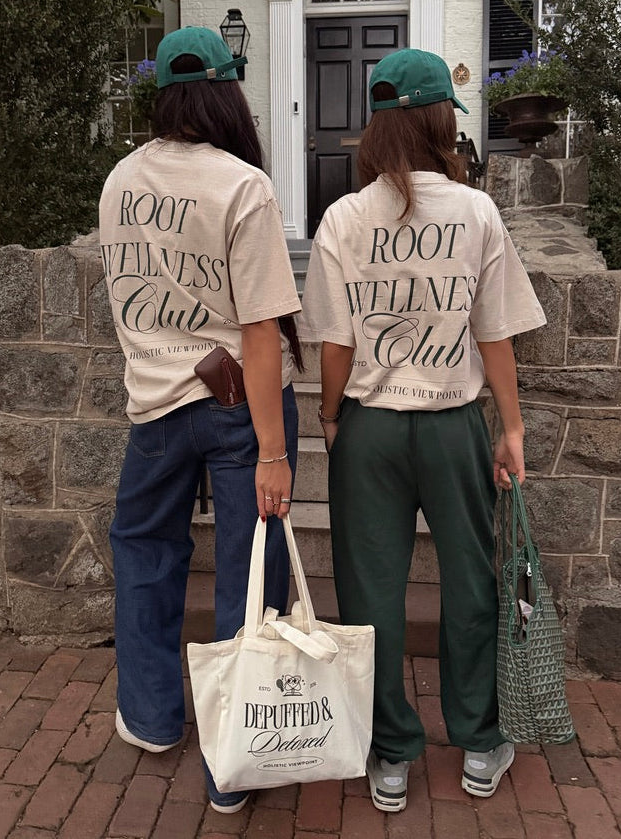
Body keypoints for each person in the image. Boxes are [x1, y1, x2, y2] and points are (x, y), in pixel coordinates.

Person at [298, 48, 546, 813]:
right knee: (470, 580)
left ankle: (392, 754)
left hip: (370, 427)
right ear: (443, 120)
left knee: (371, 588)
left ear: (379, 124)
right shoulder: (476, 212)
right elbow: (494, 334)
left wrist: (332, 417)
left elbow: (334, 346)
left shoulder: (343, 216)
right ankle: (476, 740)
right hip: (451, 424)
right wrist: (511, 429)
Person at [98, 26, 302, 814]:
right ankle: (234, 761)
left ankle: (151, 716)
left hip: (154, 403)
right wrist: (276, 452)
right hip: (236, 406)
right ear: (226, 92)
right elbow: (258, 330)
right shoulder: (241, 185)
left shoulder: (120, 179)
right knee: (249, 573)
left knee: (145, 549)